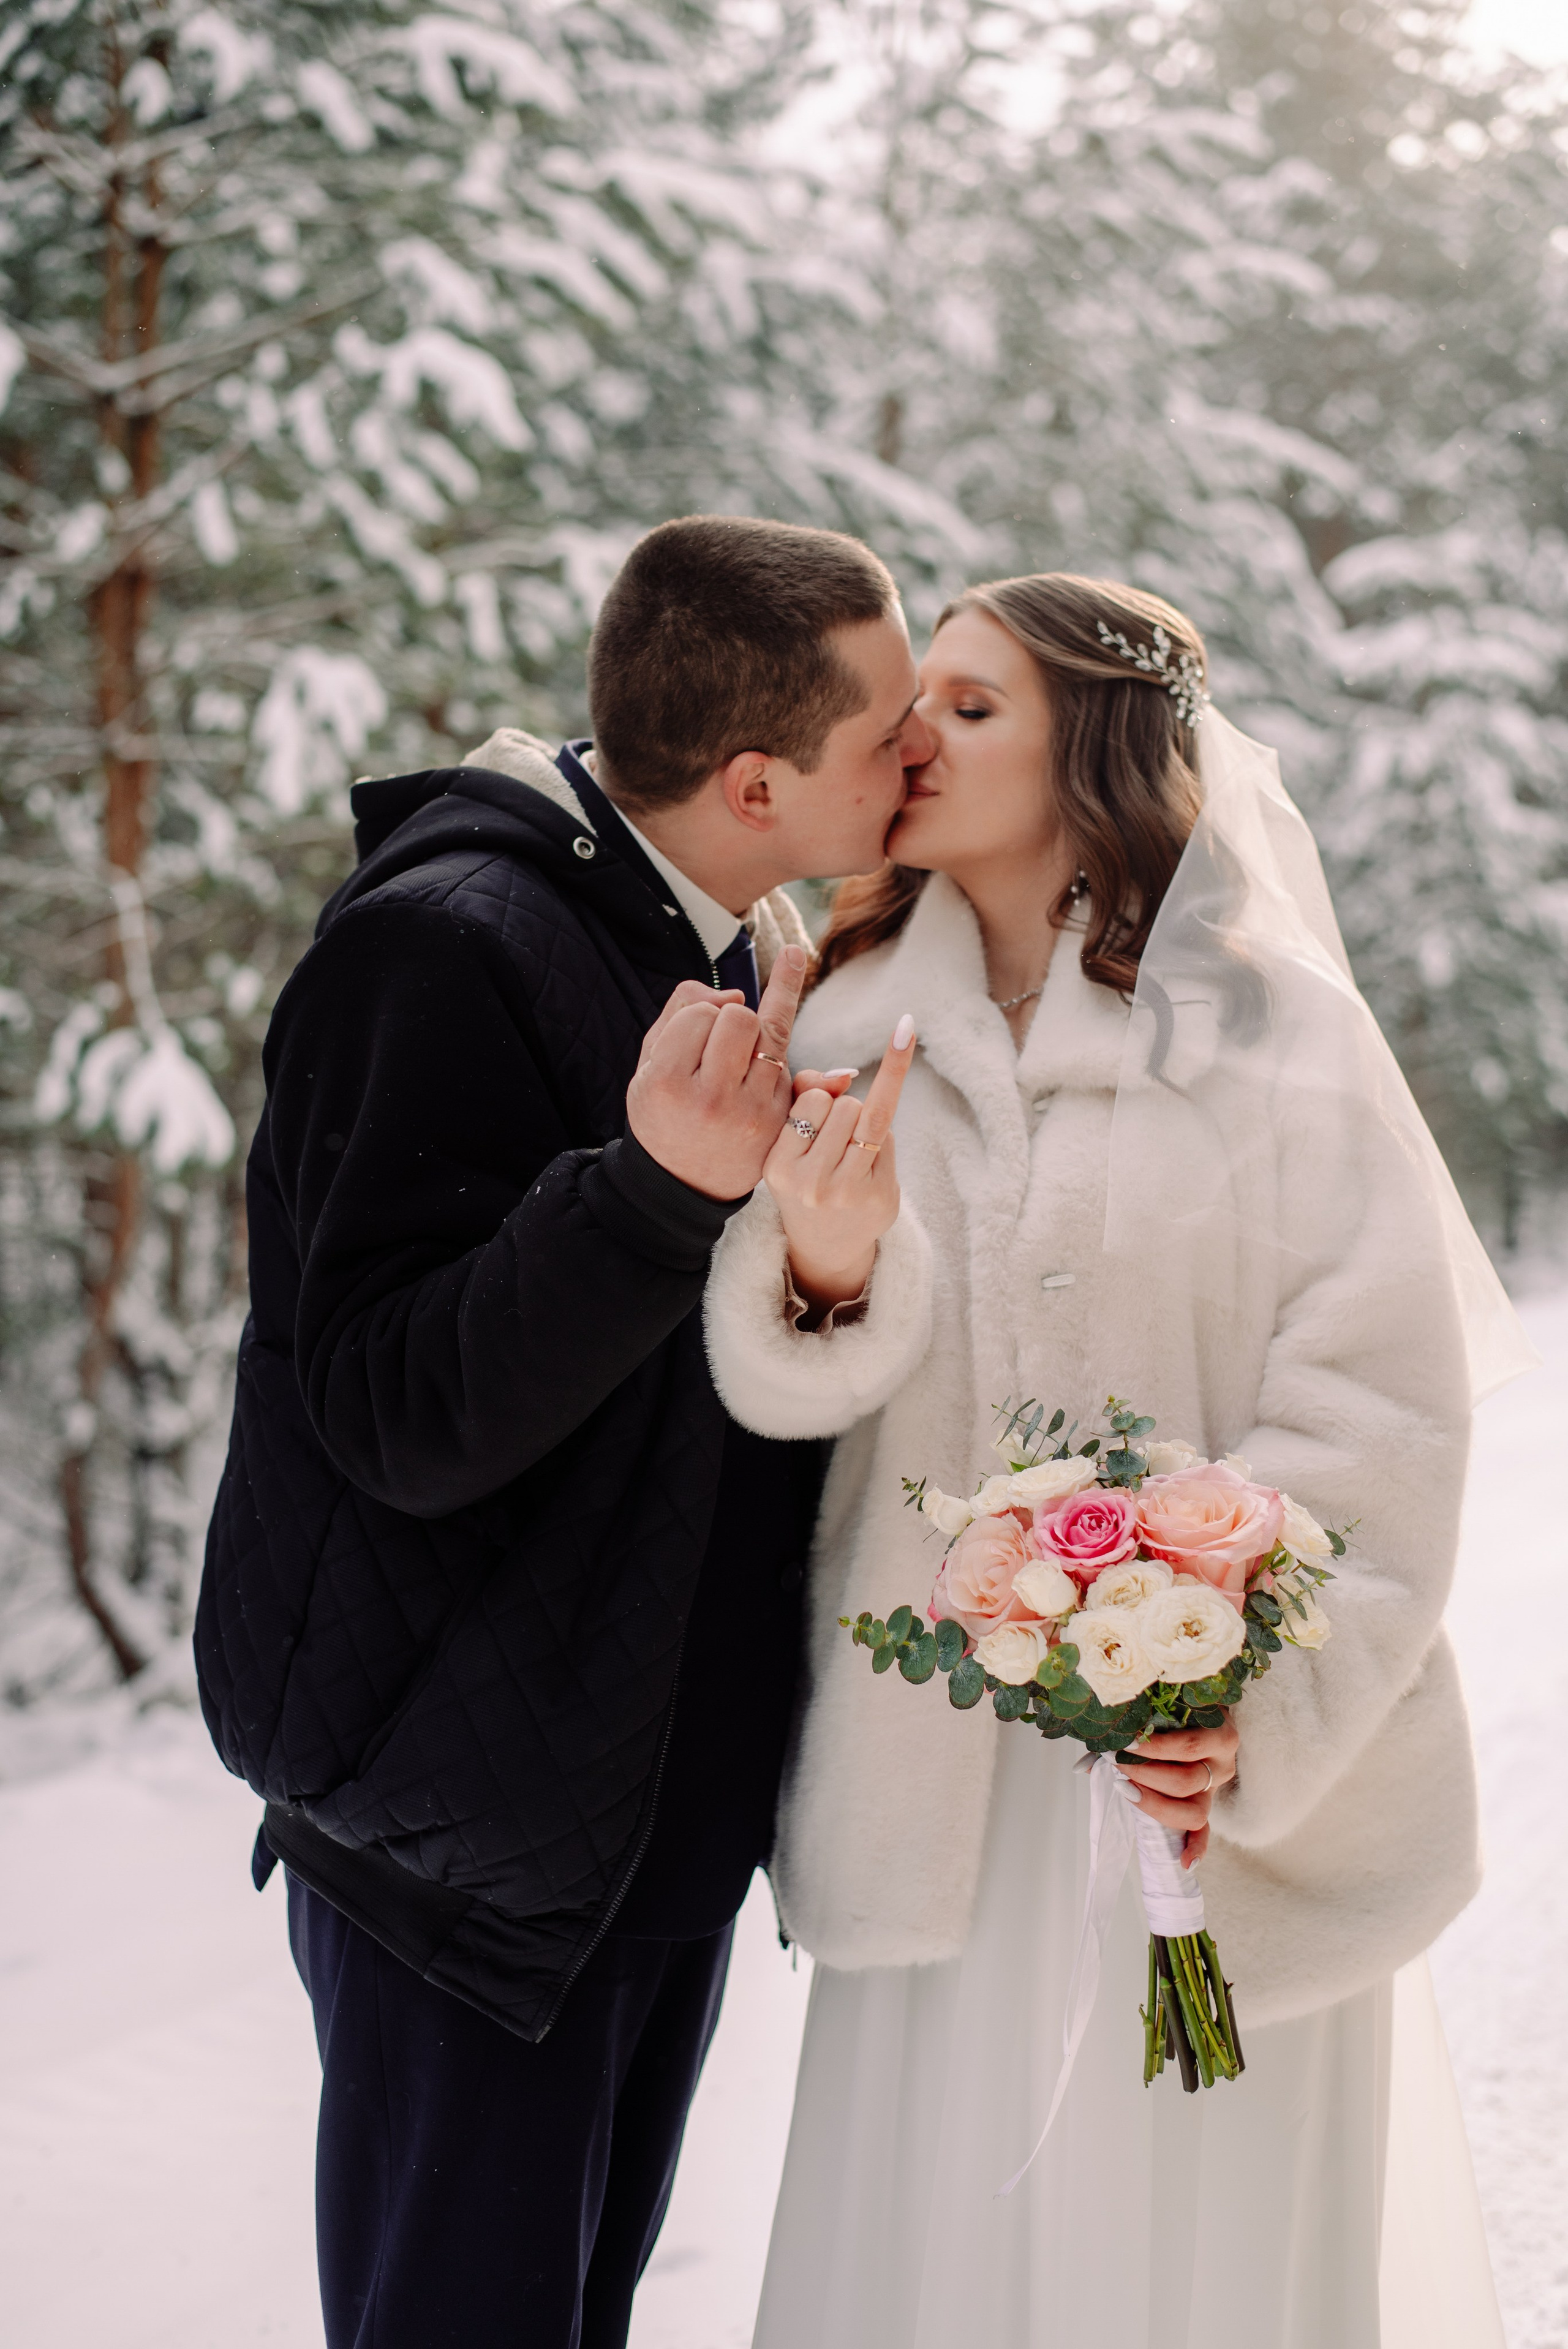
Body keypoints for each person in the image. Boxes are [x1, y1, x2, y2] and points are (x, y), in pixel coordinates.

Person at [702, 573, 1523, 2348]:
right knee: (947, 2254)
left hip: (1209, 1801)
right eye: (916, 702)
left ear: (1104, 747)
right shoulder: (836, 1035)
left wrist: (1247, 1688)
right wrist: (826, 1282)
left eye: (973, 708)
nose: (915, 736)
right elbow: (777, 1441)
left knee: (1213, 2258)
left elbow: (1385, 1407)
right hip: (939, 1799)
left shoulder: (1273, 1036)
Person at [194, 514, 935, 2349]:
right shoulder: (445, 946)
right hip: (465, 1858)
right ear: (758, 779)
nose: (919, 758)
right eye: (889, 732)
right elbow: (391, 1406)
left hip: (623, 1829)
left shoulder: (705, 935)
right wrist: (655, 1190)